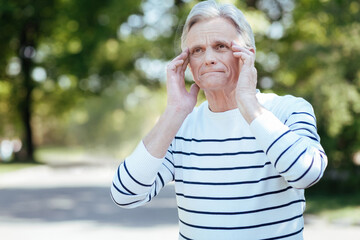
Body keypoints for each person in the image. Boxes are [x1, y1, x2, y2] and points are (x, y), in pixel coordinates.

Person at [110, 1, 327, 239]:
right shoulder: (180, 126)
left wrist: (248, 103)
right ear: (187, 63)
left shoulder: (289, 109)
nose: (208, 58)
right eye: (197, 50)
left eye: (220, 46)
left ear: (248, 56)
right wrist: (174, 111)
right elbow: (125, 195)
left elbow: (307, 173)